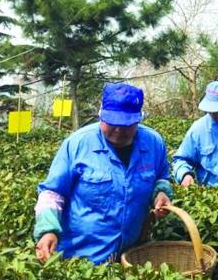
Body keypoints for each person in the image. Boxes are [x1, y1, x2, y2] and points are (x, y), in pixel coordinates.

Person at [34, 83, 173, 265]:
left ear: (139, 119)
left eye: (126, 124)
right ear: (101, 115)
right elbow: (52, 193)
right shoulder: (77, 144)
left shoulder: (153, 143)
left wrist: (161, 193)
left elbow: (161, 177)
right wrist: (48, 230)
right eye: (113, 122)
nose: (119, 130)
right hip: (81, 260)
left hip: (130, 256)